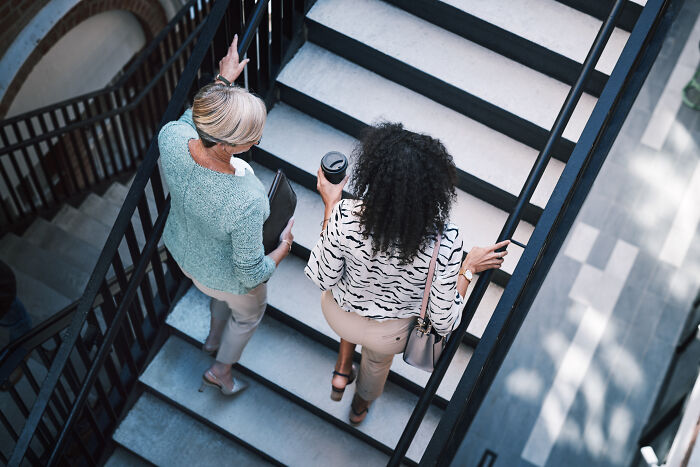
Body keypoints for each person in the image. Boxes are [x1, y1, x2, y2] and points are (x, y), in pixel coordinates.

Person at [305, 123, 509, 424]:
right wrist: (468, 269)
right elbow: (444, 321)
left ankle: (343, 364)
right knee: (376, 364)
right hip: (390, 334)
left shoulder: (345, 215)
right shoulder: (447, 242)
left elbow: (322, 278)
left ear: (373, 175)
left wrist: (331, 206)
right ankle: (360, 407)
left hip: (339, 315)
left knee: (351, 293)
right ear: (435, 190)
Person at [159, 34, 294, 396]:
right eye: (254, 138)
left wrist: (222, 82)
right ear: (229, 145)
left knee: (217, 296)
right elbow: (250, 274)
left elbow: (194, 120)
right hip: (227, 278)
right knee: (247, 314)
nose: (256, 141)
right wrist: (282, 249)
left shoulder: (171, 137)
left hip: (187, 256)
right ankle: (221, 370)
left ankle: (212, 336)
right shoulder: (245, 201)